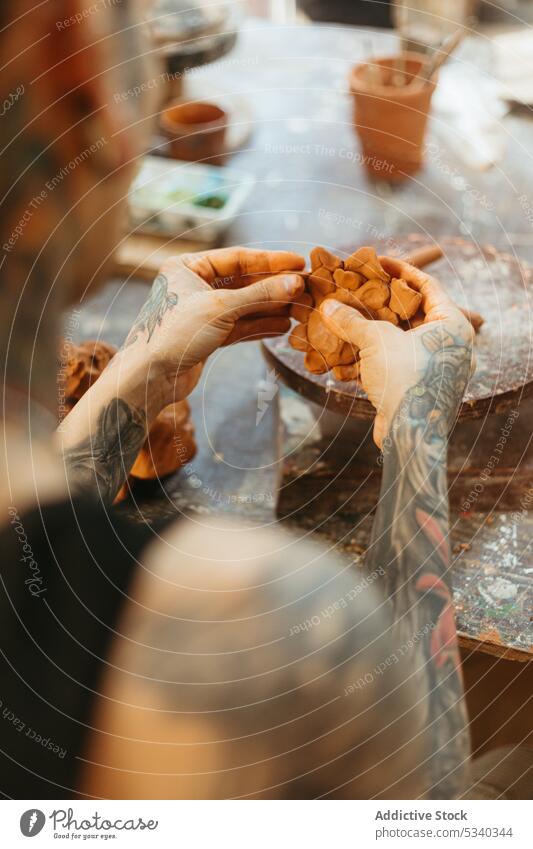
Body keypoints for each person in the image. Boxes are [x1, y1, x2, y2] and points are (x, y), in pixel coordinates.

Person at [0, 0, 474, 799]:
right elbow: (430, 809)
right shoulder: (255, 640)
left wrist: (140, 374)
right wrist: (415, 429)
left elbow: (34, 539)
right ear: (73, 72)